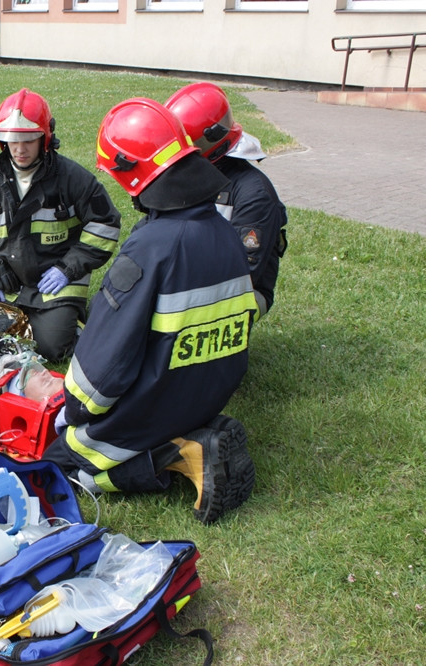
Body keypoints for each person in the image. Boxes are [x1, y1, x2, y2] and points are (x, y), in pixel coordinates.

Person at [42, 98, 258, 525]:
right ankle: (194, 434)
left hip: (159, 401)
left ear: (131, 173)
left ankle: (177, 455)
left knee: (61, 465)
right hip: (211, 390)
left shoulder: (151, 247)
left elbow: (105, 364)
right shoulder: (225, 232)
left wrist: (73, 408)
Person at [0, 88, 122, 363]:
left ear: (44, 137)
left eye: (28, 139)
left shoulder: (73, 178)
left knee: (51, 347)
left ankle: (78, 325)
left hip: (58, 281)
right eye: (12, 140)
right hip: (9, 279)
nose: (20, 149)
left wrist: (68, 268)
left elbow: (106, 224)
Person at [165, 82, 288, 317]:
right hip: (189, 276)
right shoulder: (192, 178)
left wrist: (174, 286)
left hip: (241, 291)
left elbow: (242, 272)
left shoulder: (255, 195)